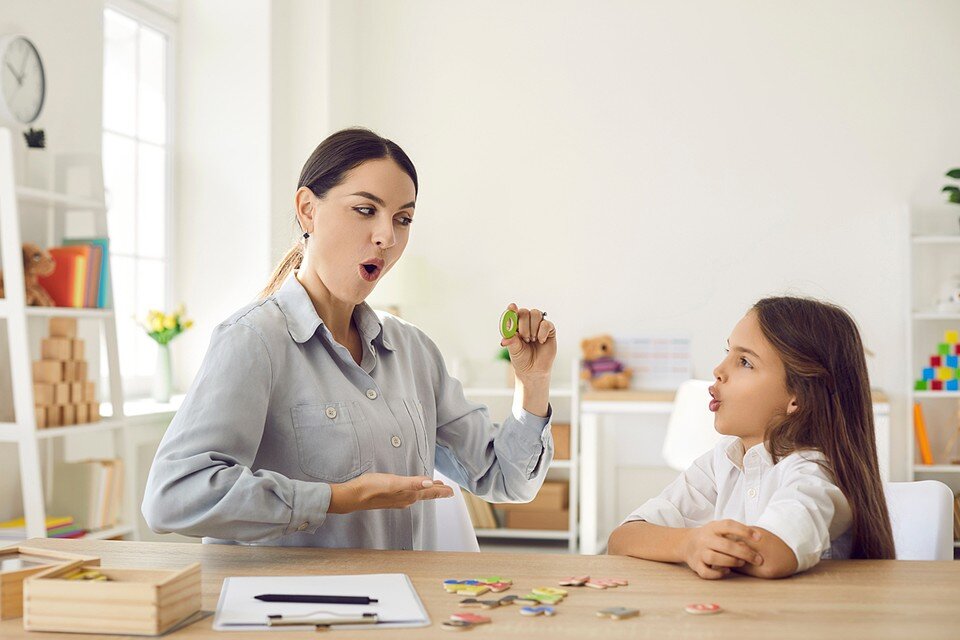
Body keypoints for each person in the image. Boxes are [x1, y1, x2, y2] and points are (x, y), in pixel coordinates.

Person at [142, 128, 557, 549]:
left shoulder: (414, 351)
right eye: (364, 210)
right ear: (307, 209)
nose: (387, 237)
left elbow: (506, 480)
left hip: (408, 607)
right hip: (293, 611)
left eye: (403, 219)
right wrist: (337, 498)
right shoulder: (253, 340)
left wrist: (533, 382)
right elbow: (173, 496)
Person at [608, 296, 894, 578]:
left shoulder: (813, 471)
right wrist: (688, 544)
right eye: (728, 353)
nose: (718, 371)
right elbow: (623, 538)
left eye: (744, 361)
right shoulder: (724, 459)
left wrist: (698, 544)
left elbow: (771, 556)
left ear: (798, 397)